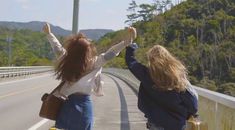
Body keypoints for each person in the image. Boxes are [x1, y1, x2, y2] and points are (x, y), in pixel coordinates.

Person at [43, 23, 133, 130]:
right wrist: (126, 42)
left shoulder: (67, 60)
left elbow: (57, 48)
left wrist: (49, 34)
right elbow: (110, 54)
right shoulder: (94, 63)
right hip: (84, 105)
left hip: (68, 105)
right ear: (87, 51)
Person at [125, 27, 198, 130]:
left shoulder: (147, 74)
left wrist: (131, 43)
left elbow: (131, 62)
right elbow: (192, 101)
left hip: (156, 122)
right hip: (177, 124)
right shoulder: (178, 75)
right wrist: (189, 113)